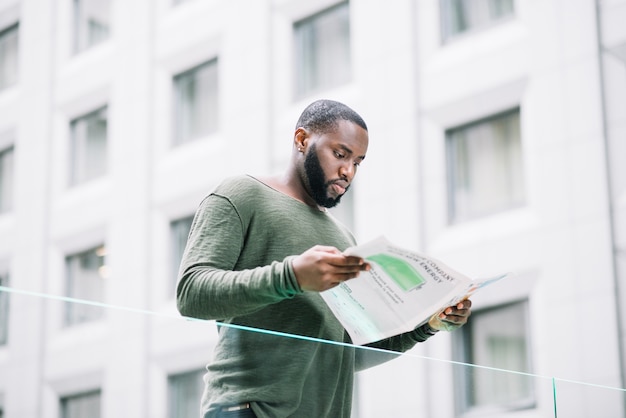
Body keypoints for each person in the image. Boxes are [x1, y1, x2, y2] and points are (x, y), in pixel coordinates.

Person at [176, 99, 472, 418]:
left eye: (358, 162)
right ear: (302, 140)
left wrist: (425, 325)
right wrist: (292, 277)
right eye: (340, 154)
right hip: (246, 410)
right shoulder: (241, 194)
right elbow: (191, 295)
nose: (348, 171)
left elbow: (349, 352)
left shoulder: (345, 240)